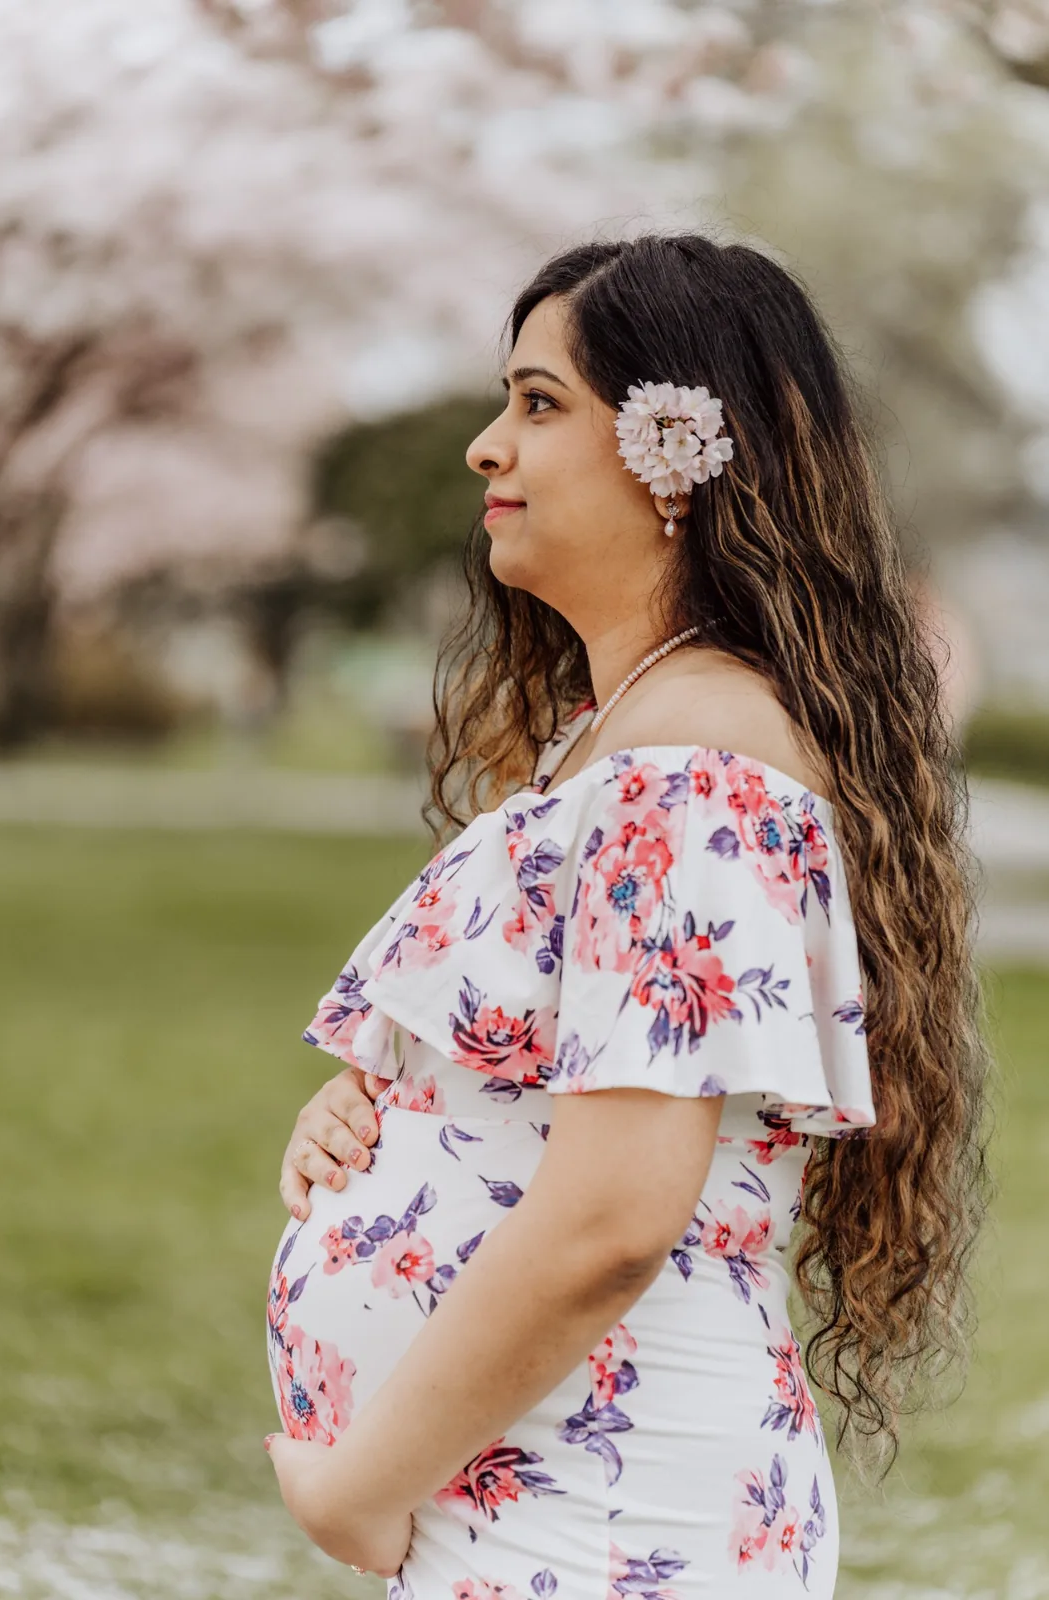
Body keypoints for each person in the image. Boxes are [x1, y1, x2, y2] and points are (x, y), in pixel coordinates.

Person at [262, 234, 992, 1597]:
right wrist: (393, 1108)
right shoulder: (631, 737)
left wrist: (359, 1493)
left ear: (680, 455)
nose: (487, 448)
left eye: (539, 405)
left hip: (597, 1522)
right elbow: (571, 1094)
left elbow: (612, 1218)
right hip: (551, 1494)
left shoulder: (692, 766)